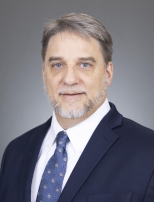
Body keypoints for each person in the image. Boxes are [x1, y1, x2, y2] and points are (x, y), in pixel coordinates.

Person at [0, 13, 154, 202]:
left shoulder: (148, 152)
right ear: (43, 73)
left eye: (84, 64)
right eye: (58, 65)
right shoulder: (15, 152)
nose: (70, 79)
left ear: (108, 73)